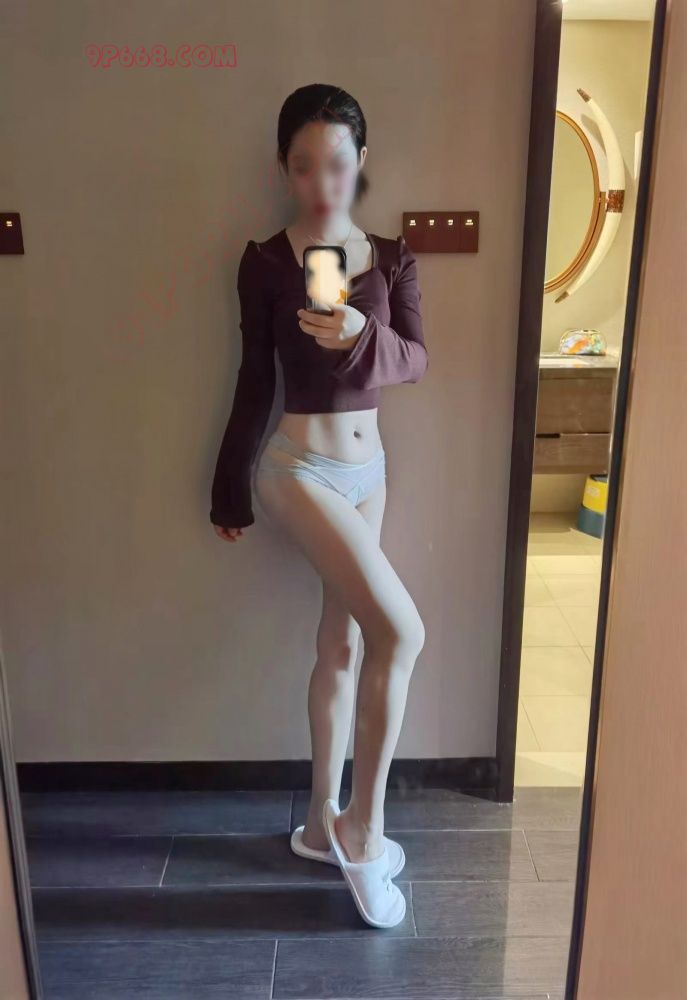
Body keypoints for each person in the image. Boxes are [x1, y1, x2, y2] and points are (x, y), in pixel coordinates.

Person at [209, 84, 428, 928]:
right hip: (298, 469)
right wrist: (230, 485)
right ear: (284, 169)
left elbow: (415, 361)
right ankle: (361, 835)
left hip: (372, 473)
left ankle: (315, 825)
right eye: (302, 166)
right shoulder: (266, 262)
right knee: (401, 632)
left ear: (360, 161)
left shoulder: (393, 257)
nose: (320, 182)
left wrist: (360, 337)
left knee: (343, 643)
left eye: (336, 163)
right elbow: (252, 378)